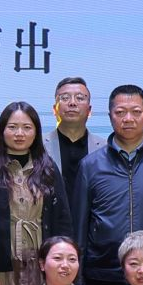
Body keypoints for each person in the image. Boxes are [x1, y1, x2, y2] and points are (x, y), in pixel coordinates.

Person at [75, 84, 143, 285]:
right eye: (120, 112)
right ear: (110, 116)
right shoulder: (90, 165)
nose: (128, 119)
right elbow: (79, 228)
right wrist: (77, 280)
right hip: (103, 274)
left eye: (136, 112)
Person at [0, 102, 70, 285]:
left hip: (42, 265)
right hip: (1, 269)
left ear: (36, 132)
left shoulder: (48, 168)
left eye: (27, 127)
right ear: (2, 130)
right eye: (13, 127)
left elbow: (63, 220)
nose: (19, 134)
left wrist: (62, 261)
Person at [47, 77, 96, 212]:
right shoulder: (38, 146)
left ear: (89, 110)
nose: (72, 103)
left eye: (80, 98)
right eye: (65, 98)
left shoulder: (105, 148)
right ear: (54, 109)